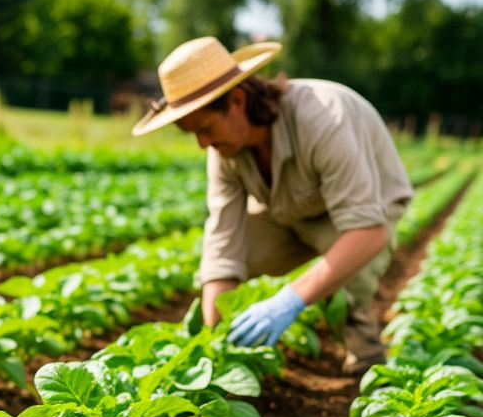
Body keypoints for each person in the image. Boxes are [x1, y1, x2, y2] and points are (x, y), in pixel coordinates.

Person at [131, 36, 413, 374]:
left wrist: (288, 300)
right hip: (289, 212)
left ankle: (366, 358)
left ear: (236, 100)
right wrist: (213, 344)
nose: (202, 144)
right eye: (193, 134)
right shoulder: (223, 151)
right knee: (230, 257)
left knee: (347, 272)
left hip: (366, 213)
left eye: (205, 128)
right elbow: (223, 247)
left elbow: (368, 234)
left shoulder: (324, 118)